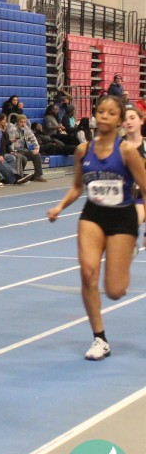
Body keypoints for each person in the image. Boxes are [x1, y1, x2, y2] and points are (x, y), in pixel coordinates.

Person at [47, 96, 146, 361]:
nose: (104, 116)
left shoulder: (127, 151)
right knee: (88, 273)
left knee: (115, 291)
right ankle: (99, 338)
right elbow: (77, 186)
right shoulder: (83, 150)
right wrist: (59, 207)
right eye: (101, 111)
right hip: (92, 216)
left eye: (111, 113)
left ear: (119, 120)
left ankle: (126, 253)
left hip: (122, 218)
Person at [14, 115, 46, 183]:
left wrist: (37, 148)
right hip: (16, 150)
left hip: (24, 150)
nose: (23, 124)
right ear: (17, 122)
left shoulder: (26, 128)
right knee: (23, 158)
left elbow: (33, 138)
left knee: (36, 155)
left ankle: (37, 175)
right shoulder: (13, 129)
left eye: (24, 122)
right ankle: (20, 175)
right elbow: (11, 143)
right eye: (21, 122)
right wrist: (13, 151)